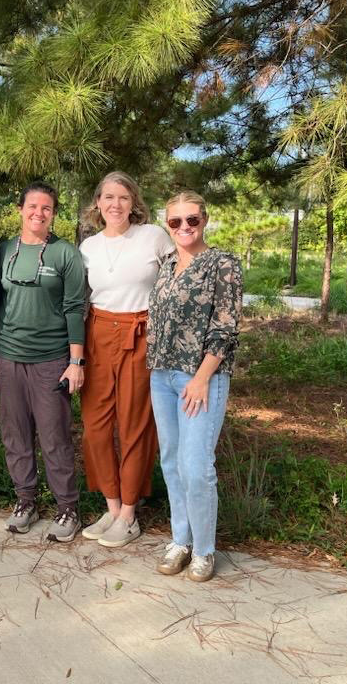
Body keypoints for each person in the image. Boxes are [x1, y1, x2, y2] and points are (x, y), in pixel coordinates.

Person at [0, 182, 86, 541]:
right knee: (15, 434)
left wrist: (76, 361)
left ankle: (68, 508)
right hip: (9, 356)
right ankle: (25, 500)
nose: (38, 213)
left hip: (51, 360)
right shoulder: (2, 249)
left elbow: (75, 308)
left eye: (46, 208)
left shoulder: (65, 255)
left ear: (53, 213)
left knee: (55, 437)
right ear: (20, 208)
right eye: (32, 206)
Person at [148, 191, 242, 582]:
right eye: (175, 222)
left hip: (200, 378)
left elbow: (226, 326)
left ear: (204, 220)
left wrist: (203, 378)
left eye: (192, 220)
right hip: (162, 376)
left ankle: (204, 550)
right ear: (167, 225)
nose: (184, 227)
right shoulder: (167, 265)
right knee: (171, 461)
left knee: (196, 465)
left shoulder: (222, 264)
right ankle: (180, 541)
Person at [78, 172, 174, 548]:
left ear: (134, 202)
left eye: (123, 197)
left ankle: (130, 512)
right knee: (95, 424)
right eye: (108, 197)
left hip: (142, 332)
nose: (115, 204)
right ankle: (112, 505)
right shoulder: (88, 247)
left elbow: (178, 278)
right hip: (98, 331)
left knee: (134, 424)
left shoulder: (153, 237)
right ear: (97, 203)